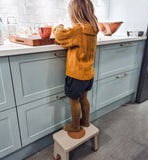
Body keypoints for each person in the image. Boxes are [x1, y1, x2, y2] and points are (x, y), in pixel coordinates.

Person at [53, 0, 99, 132]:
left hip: (76, 75)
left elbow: (60, 36)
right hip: (88, 74)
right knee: (84, 99)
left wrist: (57, 27)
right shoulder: (93, 29)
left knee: (74, 101)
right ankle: (85, 122)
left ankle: (75, 126)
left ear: (75, 13)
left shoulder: (78, 30)